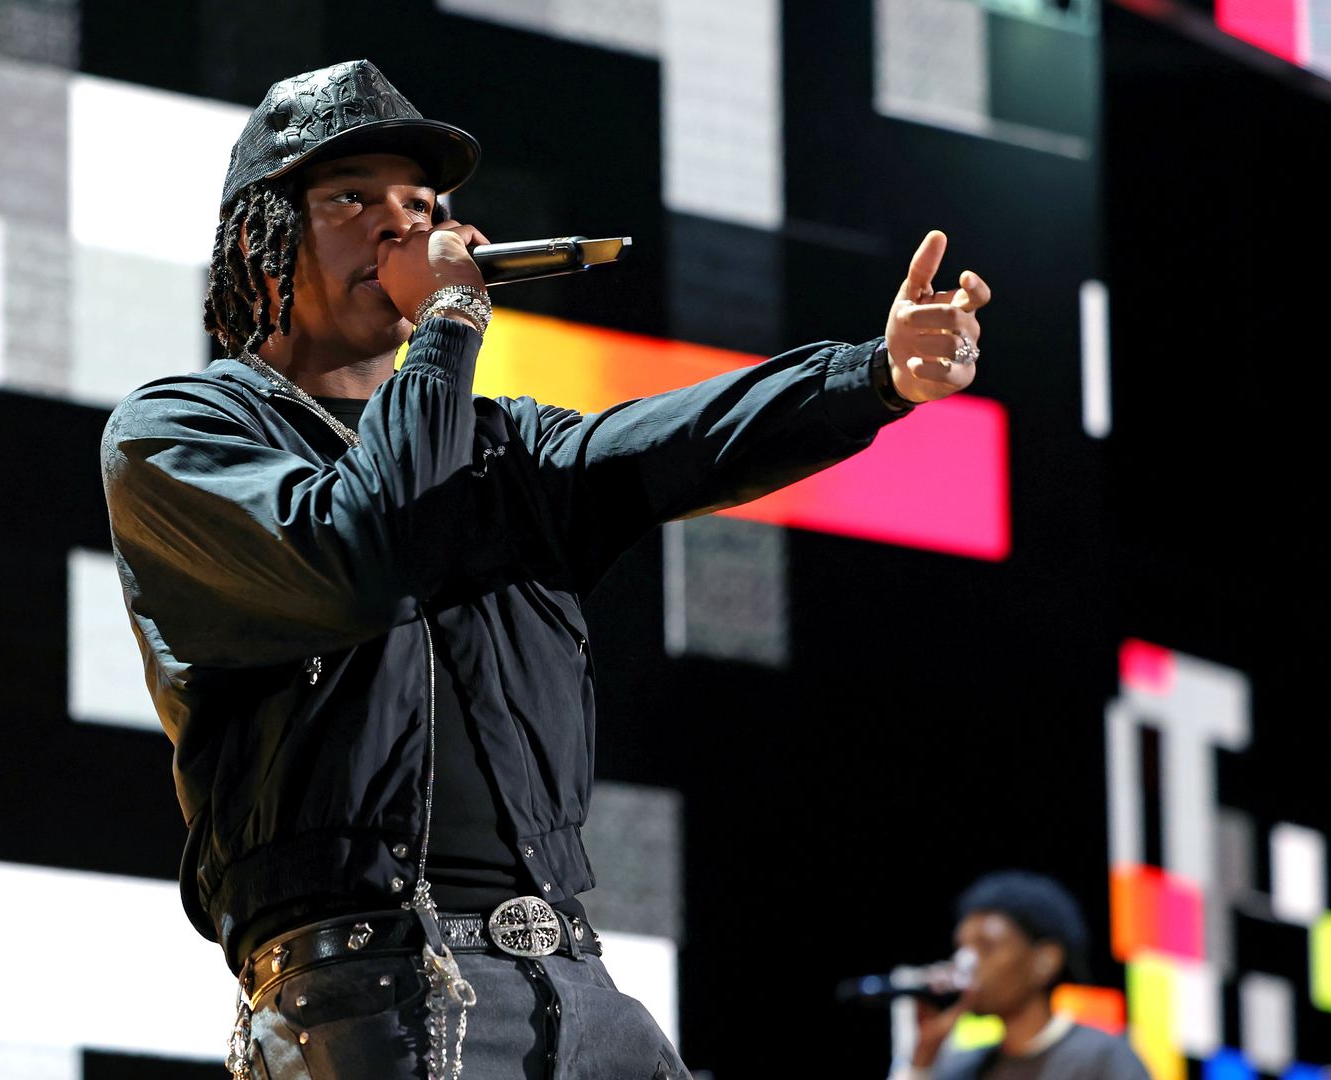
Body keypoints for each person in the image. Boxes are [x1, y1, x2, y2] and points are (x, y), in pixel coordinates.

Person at [100, 59, 990, 1080]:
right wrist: (446, 323)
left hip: (577, 982)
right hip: (368, 994)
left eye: (421, 203)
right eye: (353, 199)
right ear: (264, 238)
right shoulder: (182, 433)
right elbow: (363, 553)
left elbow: (677, 439)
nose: (402, 227)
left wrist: (872, 376)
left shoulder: (501, 448)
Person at [892, 872, 1151, 1080]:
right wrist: (923, 1061)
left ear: (1044, 962)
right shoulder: (964, 1066)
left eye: (987, 947)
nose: (966, 964)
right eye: (962, 950)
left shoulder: (1101, 1057)